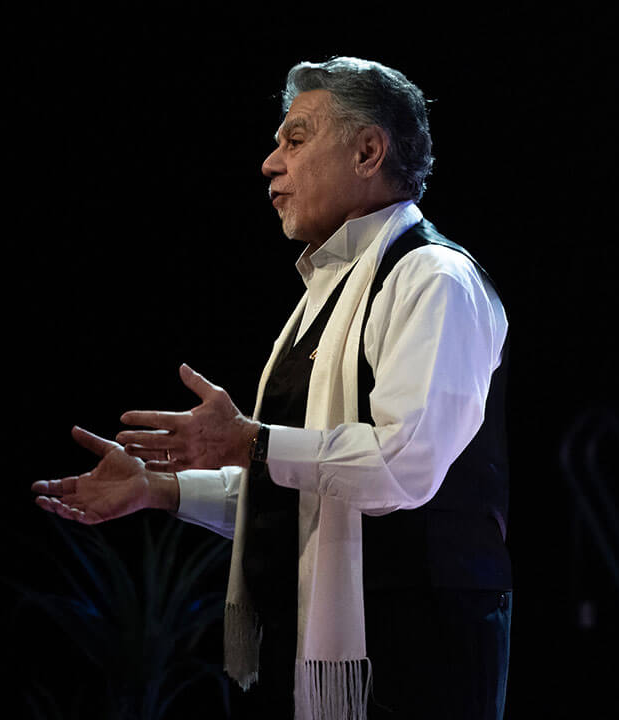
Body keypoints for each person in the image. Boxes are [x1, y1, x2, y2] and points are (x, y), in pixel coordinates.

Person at [32, 57, 511, 720]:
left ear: (368, 150)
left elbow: (402, 468)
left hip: (416, 658)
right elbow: (304, 489)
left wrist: (250, 442)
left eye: (295, 138)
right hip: (325, 662)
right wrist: (161, 489)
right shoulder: (325, 295)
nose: (269, 163)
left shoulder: (432, 279)